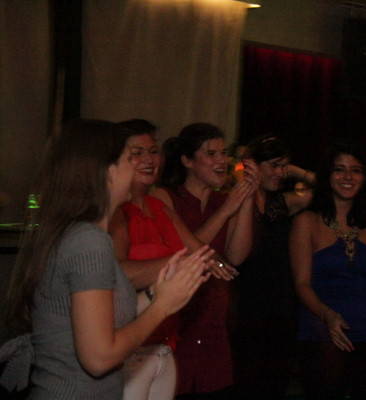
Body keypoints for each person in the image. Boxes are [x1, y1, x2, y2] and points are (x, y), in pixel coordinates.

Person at [0, 119, 212, 399]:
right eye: (129, 158)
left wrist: (157, 292)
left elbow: (102, 317)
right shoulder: (89, 241)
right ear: (106, 172)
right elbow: (99, 358)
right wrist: (162, 307)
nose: (137, 166)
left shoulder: (80, 234)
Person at [109, 119, 237, 400]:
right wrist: (182, 264)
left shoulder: (158, 206)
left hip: (165, 344)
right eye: (137, 152)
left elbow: (201, 252)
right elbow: (116, 273)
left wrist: (212, 262)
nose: (149, 159)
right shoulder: (117, 211)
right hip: (129, 344)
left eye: (153, 151)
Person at [290, 143, 366, 400]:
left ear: (364, 177)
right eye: (340, 169)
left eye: (355, 170)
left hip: (365, 330)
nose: (348, 177)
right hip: (320, 330)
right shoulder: (306, 221)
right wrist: (328, 316)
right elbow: (301, 283)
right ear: (328, 175)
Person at [154, 123, 257, 399]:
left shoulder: (225, 199)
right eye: (211, 154)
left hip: (213, 314)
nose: (222, 161)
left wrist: (247, 198)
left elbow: (236, 256)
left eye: (224, 153)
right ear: (187, 160)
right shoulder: (164, 196)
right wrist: (225, 211)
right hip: (176, 317)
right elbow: (184, 251)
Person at [233, 135, 314, 399]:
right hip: (243, 306)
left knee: (275, 381)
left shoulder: (280, 203)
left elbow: (326, 190)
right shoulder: (233, 201)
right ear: (253, 166)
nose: (280, 173)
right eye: (275, 165)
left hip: (279, 305)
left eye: (284, 166)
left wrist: (296, 171)